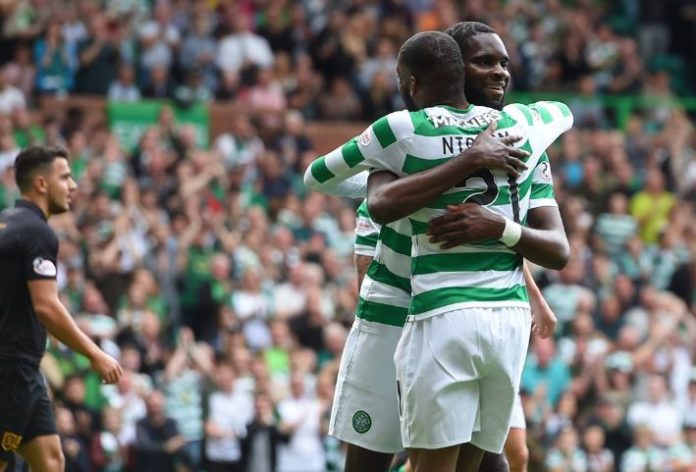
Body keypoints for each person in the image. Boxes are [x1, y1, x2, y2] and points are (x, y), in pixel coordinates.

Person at [305, 31, 571, 472]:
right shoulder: (401, 146)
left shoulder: (520, 146)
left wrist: (529, 283)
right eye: (484, 62)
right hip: (397, 312)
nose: (499, 73)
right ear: (453, 69)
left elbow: (548, 245)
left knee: (495, 460)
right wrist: (467, 158)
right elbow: (374, 224)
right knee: (380, 459)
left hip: (468, 311)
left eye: (504, 63)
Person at [0, 146, 123, 472]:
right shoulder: (37, 232)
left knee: (51, 461)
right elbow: (47, 307)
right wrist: (95, 354)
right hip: (10, 369)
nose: (73, 185)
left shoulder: (7, 223)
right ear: (42, 184)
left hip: (25, 367)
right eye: (65, 177)